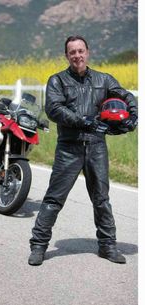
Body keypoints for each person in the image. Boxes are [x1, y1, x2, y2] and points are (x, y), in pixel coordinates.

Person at [28, 35, 138, 266]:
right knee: (54, 199)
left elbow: (125, 96)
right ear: (67, 56)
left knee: (102, 199)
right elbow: (54, 109)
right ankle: (38, 246)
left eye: (80, 51)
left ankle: (108, 246)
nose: (77, 55)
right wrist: (83, 121)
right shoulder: (57, 80)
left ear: (87, 52)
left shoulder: (104, 79)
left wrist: (133, 113)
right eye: (72, 52)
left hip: (97, 146)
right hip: (69, 147)